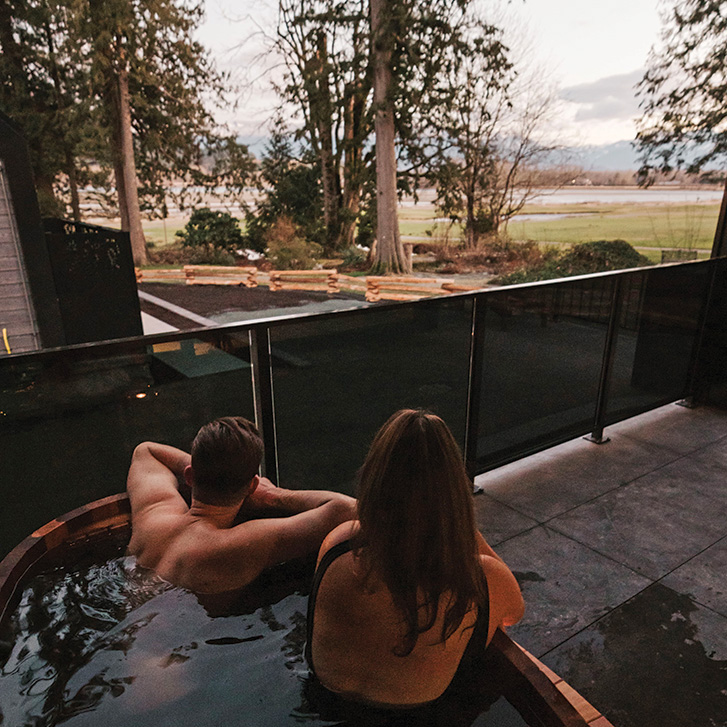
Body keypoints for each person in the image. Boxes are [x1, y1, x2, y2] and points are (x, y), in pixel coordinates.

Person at [305, 409, 524, 708]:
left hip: (322, 702)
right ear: (455, 493)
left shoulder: (338, 546)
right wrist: (456, 524)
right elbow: (513, 614)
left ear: (373, 482)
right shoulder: (482, 580)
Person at [126, 416, 356, 594]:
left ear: (189, 476)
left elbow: (146, 450)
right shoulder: (239, 544)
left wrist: (205, 469)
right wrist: (274, 495)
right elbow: (347, 509)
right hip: (163, 652)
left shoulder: (153, 514)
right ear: (252, 486)